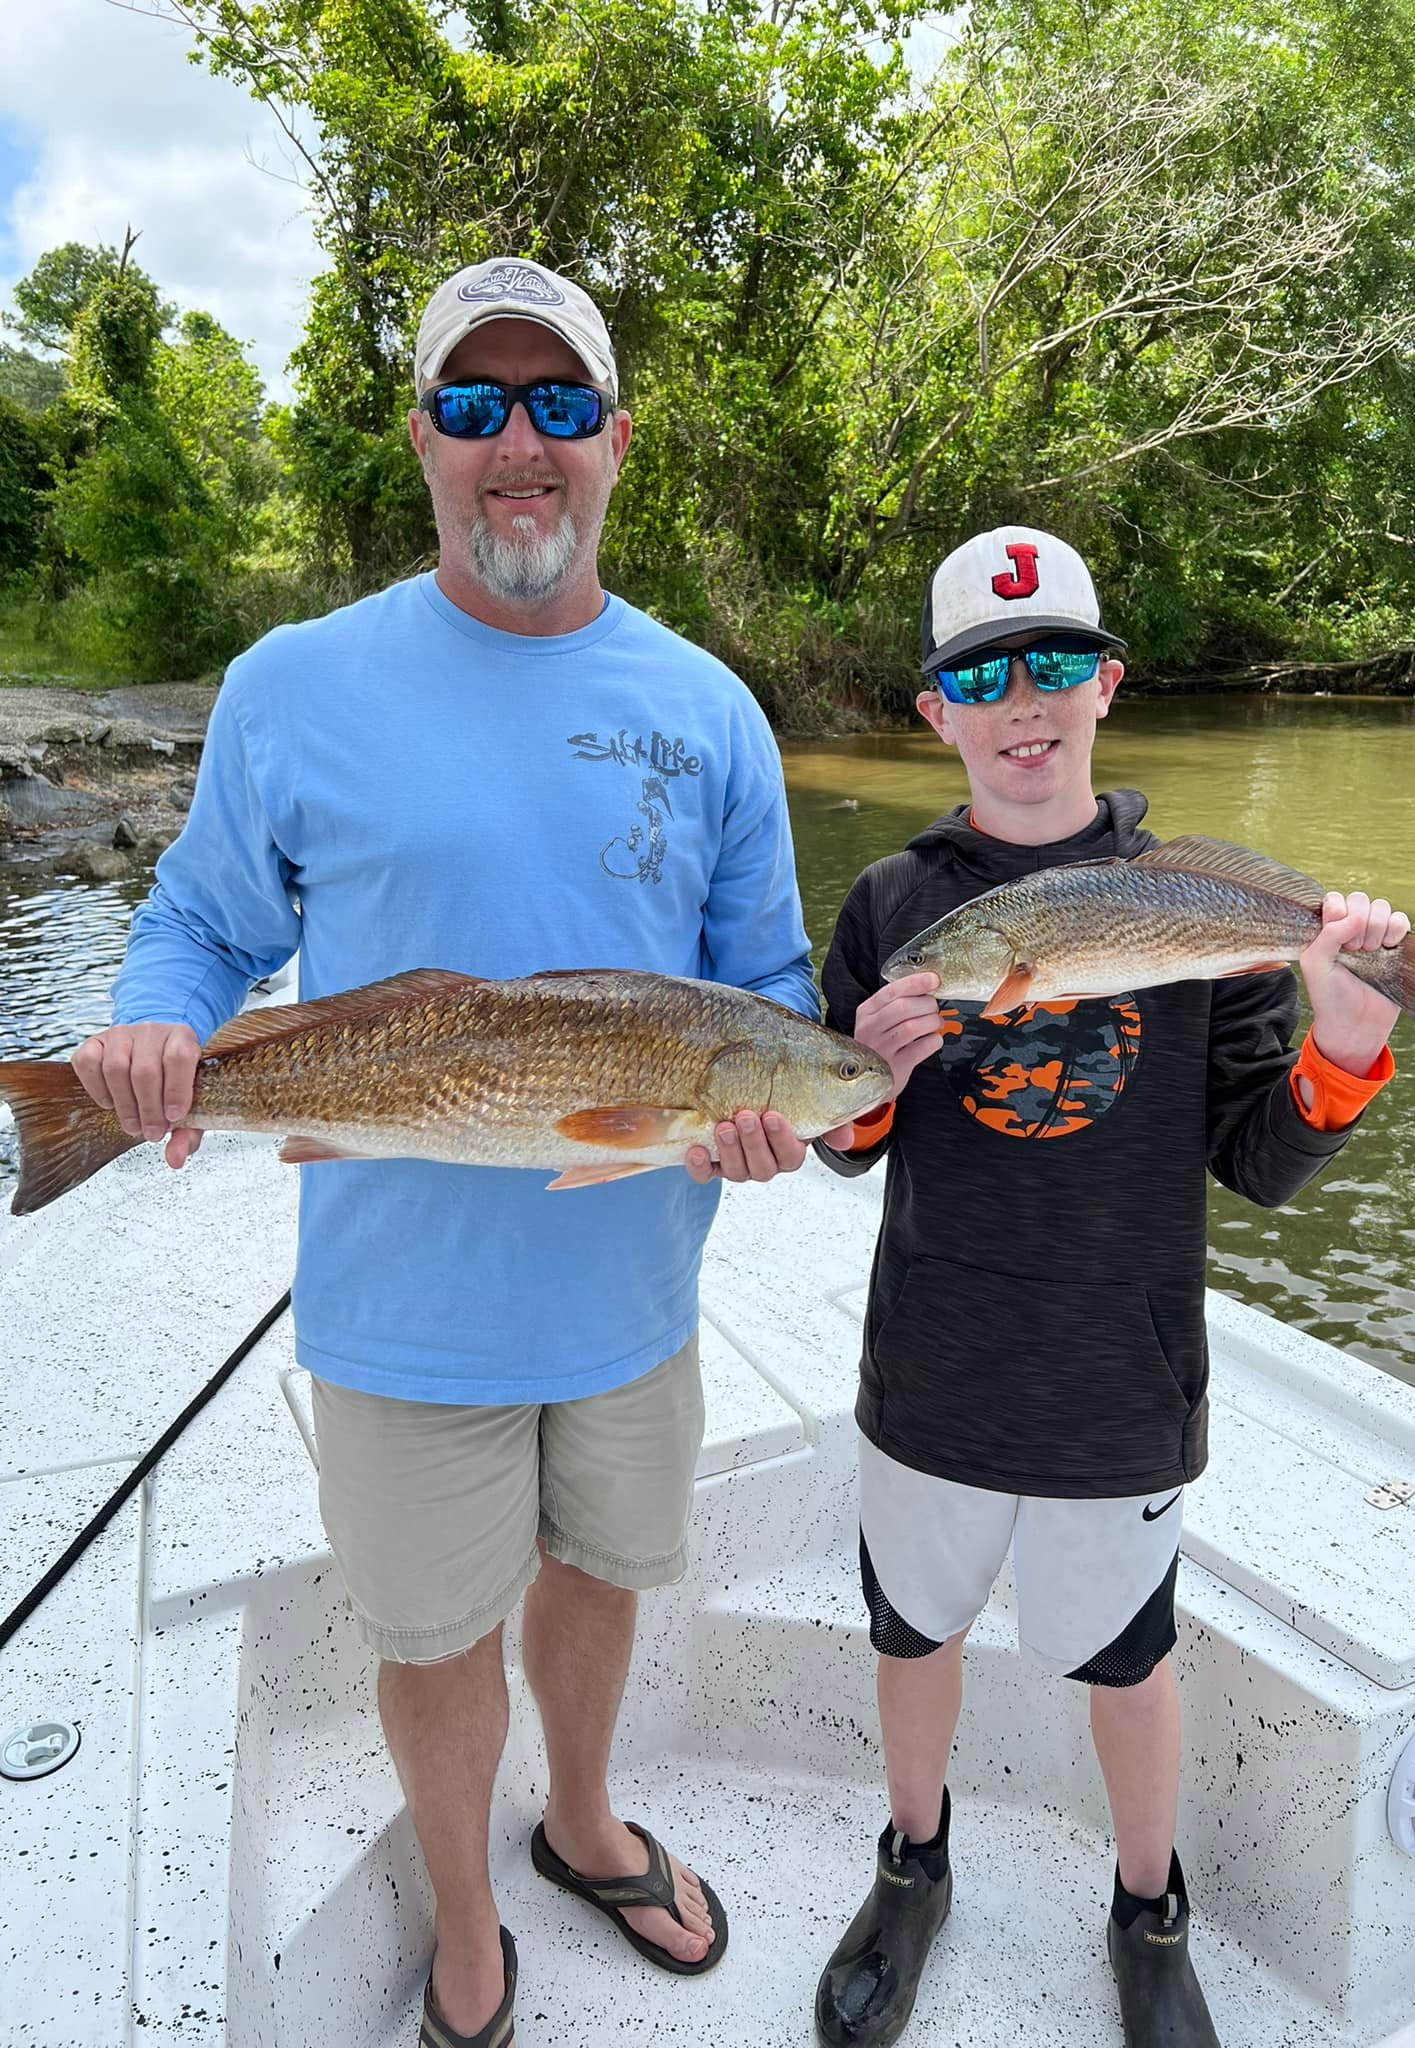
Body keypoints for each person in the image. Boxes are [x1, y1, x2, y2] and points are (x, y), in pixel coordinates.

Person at [69, 255, 849, 2048]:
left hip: (636, 1298)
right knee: (429, 1636)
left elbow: (768, 986)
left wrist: (773, 1115)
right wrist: (154, 1027)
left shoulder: (712, 709)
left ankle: (583, 1821)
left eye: (559, 404)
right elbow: (198, 924)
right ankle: (469, 1921)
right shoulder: (292, 683)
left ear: (615, 442)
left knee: (602, 1574)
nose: (521, 443)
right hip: (399, 1312)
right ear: (421, 435)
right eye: (479, 404)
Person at [812, 526, 1406, 2048]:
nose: (1024, 699)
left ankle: (1150, 1909)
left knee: (1131, 1663)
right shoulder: (889, 903)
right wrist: (865, 1080)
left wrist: (1343, 1046)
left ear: (1107, 686)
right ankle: (913, 1864)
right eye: (983, 675)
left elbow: (1259, 1162)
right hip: (935, 1367)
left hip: (1122, 1382)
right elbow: (842, 1144)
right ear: (936, 711)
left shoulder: (1204, 901)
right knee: (910, 1635)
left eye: (1055, 663)